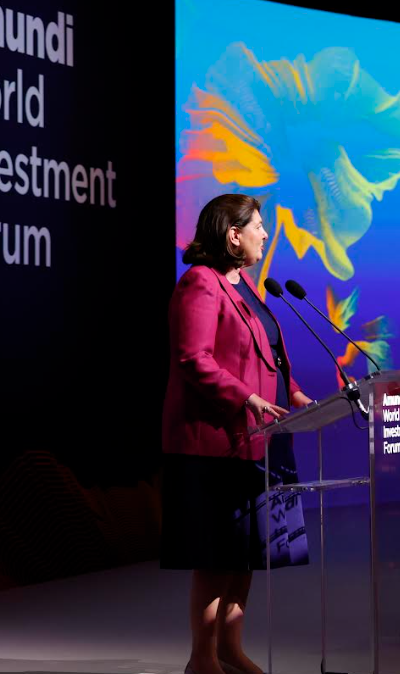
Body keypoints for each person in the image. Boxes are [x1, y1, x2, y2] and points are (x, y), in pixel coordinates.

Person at [161, 194, 314, 674]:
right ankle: (202, 658)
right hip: (217, 443)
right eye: (258, 226)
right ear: (233, 234)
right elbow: (193, 359)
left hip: (262, 439)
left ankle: (229, 648)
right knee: (218, 555)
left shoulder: (244, 284)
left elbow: (265, 352)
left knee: (247, 553)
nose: (264, 234)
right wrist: (246, 397)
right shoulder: (200, 283)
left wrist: (293, 391)